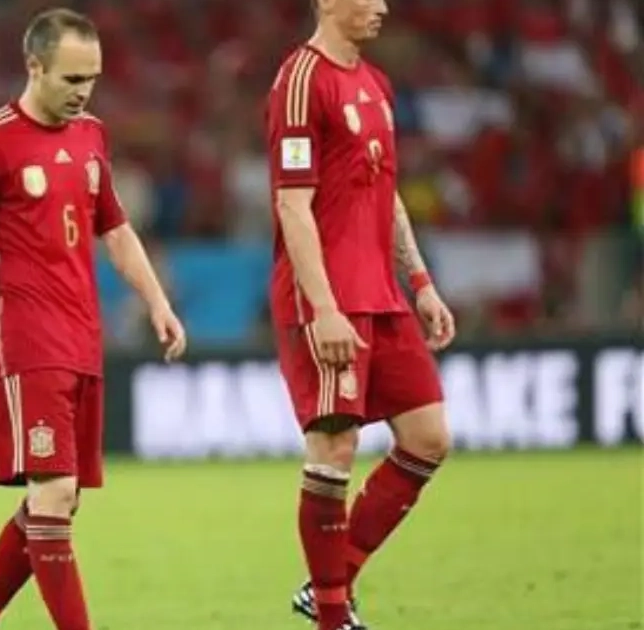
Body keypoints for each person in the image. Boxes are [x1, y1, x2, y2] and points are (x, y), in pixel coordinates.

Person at [0, 8, 187, 630]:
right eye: (71, 78)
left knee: (60, 503)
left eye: (91, 78)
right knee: (54, 493)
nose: (82, 91)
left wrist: (157, 301)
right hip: (24, 337)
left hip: (82, 337)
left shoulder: (92, 134)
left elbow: (115, 229)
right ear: (34, 66)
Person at [266, 1, 457, 629]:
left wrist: (420, 281)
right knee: (334, 446)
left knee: (428, 438)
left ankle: (330, 584)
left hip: (382, 292)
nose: (382, 7)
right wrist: (322, 309)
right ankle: (332, 616)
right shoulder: (301, 80)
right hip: (327, 296)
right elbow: (293, 205)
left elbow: (385, 190)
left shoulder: (376, 83)